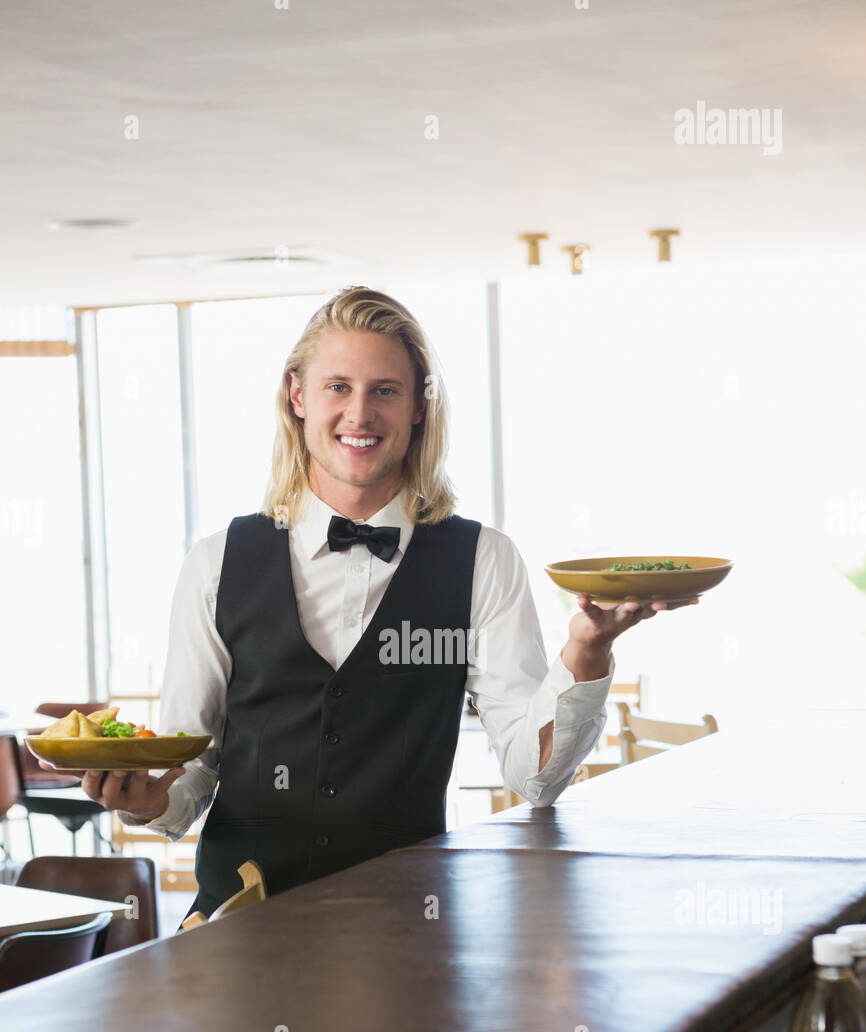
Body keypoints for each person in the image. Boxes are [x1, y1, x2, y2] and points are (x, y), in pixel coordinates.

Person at [73, 286, 697, 917]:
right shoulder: (216, 562)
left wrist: (586, 650)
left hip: (407, 935)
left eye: (385, 390)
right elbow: (194, 765)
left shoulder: (483, 560)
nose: (360, 413)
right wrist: (147, 801)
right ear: (298, 396)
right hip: (237, 929)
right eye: (338, 387)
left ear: (420, 404)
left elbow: (532, 778)